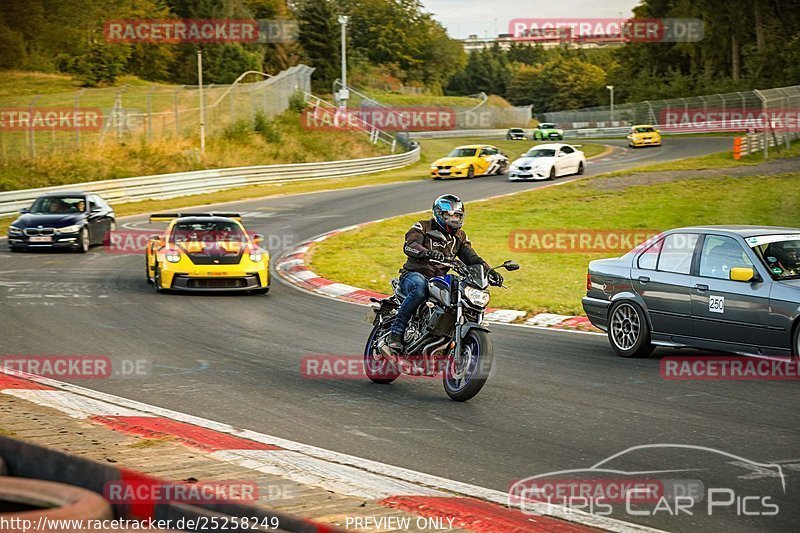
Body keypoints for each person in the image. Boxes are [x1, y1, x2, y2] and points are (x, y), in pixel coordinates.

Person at [385, 194, 503, 353]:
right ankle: (396, 333)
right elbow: (410, 245)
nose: (454, 218)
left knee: (457, 291)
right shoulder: (422, 227)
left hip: (437, 279)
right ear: (439, 214)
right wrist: (427, 253)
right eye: (449, 214)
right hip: (413, 275)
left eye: (457, 215)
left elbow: (472, 258)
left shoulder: (459, 237)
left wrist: (490, 271)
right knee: (420, 288)